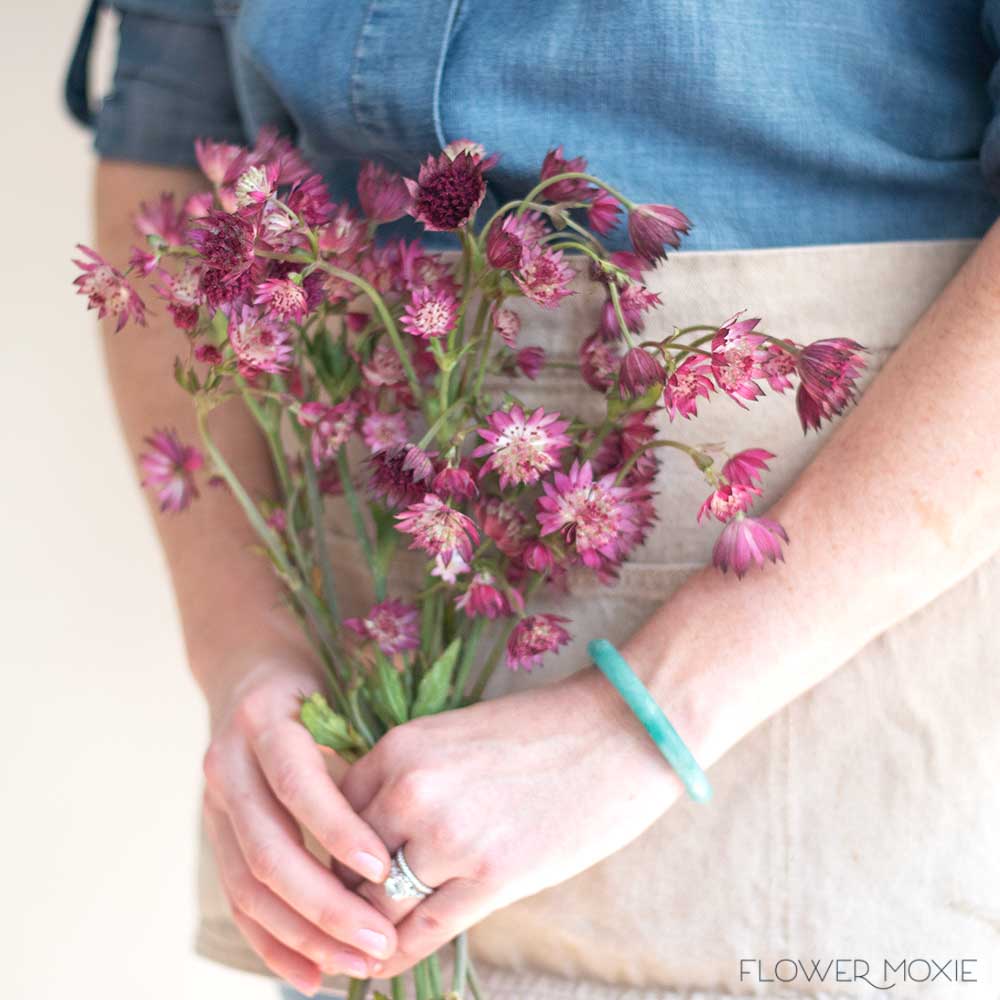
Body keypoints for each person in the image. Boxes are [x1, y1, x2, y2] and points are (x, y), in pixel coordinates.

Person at [67, 1, 1000, 998]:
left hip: (813, 749)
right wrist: (245, 650)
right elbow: (168, 145)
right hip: (351, 776)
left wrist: (635, 721)